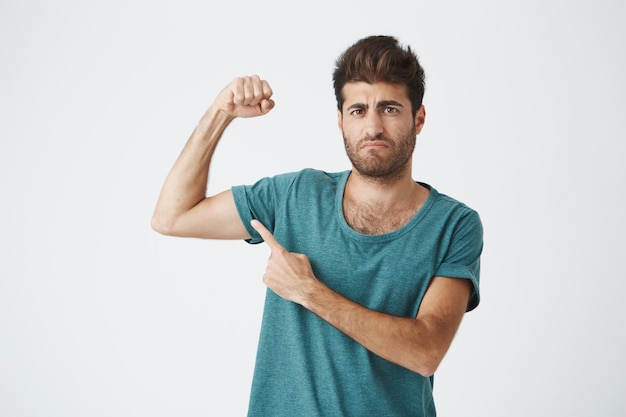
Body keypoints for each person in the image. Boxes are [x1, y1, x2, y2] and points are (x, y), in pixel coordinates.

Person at [152, 35, 483, 417]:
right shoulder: (295, 195)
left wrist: (309, 291)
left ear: (418, 119)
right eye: (358, 110)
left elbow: (426, 351)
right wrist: (220, 112)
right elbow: (172, 217)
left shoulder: (454, 225)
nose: (373, 127)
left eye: (389, 109)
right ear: (341, 121)